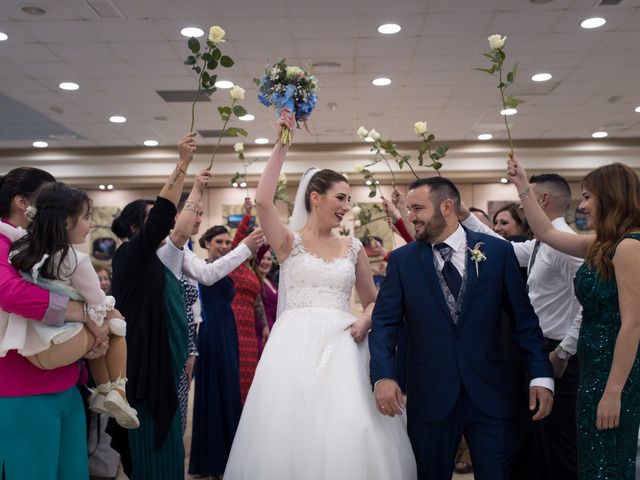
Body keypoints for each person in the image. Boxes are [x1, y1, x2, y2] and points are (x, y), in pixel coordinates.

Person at [223, 111, 417, 479]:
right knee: (290, 432)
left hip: (346, 343)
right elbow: (264, 202)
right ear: (315, 197)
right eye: (341, 197)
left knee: (349, 427)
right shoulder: (288, 242)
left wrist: (366, 317)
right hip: (293, 346)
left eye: (349, 198)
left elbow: (374, 298)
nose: (347, 205)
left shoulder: (353, 246)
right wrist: (282, 145)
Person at [370, 176, 554, 480]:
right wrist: (383, 376)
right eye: (409, 208)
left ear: (447, 206)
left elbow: (524, 322)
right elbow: (385, 323)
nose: (410, 216)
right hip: (430, 394)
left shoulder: (497, 253)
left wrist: (541, 374)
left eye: (417, 208)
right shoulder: (403, 261)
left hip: (492, 392)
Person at [507, 157, 640, 480]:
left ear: (610, 199)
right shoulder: (603, 245)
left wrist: (613, 392)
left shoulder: (629, 248)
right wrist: (522, 185)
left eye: (588, 197)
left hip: (612, 372)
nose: (583, 206)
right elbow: (547, 232)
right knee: (590, 457)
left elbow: (633, 325)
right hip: (592, 366)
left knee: (607, 459)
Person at [462, 173, 583, 479]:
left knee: (558, 445)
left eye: (524, 201)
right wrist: (464, 217)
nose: (521, 208)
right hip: (538, 350)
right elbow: (504, 248)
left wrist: (564, 351)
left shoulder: (564, 245)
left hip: (558, 355)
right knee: (537, 441)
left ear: (541, 200)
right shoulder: (544, 242)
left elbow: (588, 304)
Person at [0, 167, 108, 479]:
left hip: (65, 382)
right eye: (48, 197)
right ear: (23, 203)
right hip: (21, 388)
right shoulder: (5, 242)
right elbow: (11, 294)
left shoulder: (45, 245)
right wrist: (85, 314)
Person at [110, 133, 202, 479]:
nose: (163, 227)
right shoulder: (131, 255)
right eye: (152, 222)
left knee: (170, 451)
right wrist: (182, 165)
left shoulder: (158, 260)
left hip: (166, 369)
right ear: (136, 227)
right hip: (146, 375)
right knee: (153, 453)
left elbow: (176, 226)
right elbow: (166, 216)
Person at [8, 182, 137, 428]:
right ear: (67, 222)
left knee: (105, 324)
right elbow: (98, 307)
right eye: (87, 218)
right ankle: (117, 393)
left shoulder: (19, 249)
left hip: (29, 344)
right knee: (116, 323)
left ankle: (102, 392)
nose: (90, 225)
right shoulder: (76, 259)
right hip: (60, 345)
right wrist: (110, 318)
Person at [187, 225, 265, 479]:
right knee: (216, 392)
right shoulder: (203, 267)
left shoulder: (230, 265)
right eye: (218, 241)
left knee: (229, 391)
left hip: (230, 329)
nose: (223, 245)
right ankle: (214, 461)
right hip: (212, 330)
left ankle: (227, 458)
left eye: (226, 241)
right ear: (207, 243)